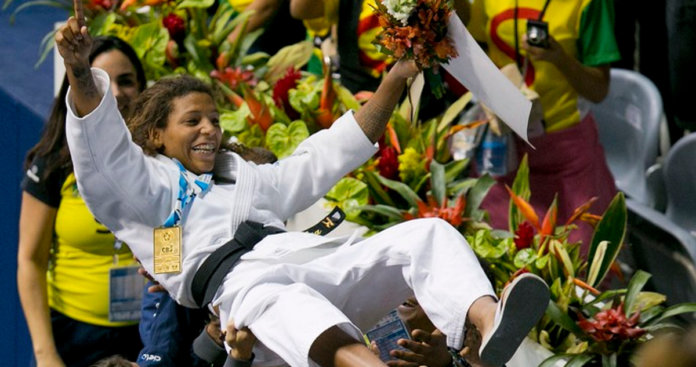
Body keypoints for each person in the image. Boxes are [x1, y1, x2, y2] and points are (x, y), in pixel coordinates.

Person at [57, 3, 550, 366]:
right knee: (293, 307)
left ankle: (487, 328)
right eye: (192, 121)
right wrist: (80, 70)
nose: (210, 128)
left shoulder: (246, 177)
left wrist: (397, 77)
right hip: (247, 296)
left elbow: (325, 155)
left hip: (308, 261)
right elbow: (106, 158)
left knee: (428, 236)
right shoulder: (147, 188)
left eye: (213, 118)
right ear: (156, 136)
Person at [17, 35, 146, 367]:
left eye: (127, 81)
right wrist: (46, 354)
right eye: (99, 81)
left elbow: (171, 245)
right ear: (76, 89)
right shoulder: (54, 163)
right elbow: (30, 261)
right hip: (72, 337)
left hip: (148, 331)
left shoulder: (160, 164)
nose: (116, 93)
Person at [465, 0, 621, 253]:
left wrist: (560, 59)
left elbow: (599, 90)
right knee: (495, 260)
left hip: (565, 154)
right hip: (502, 150)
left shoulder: (590, 4)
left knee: (576, 267)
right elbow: (461, 32)